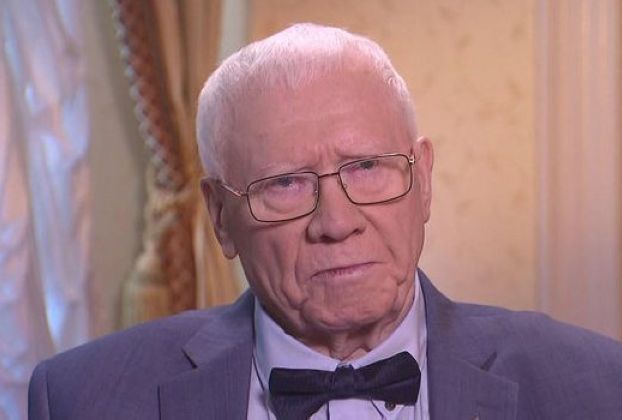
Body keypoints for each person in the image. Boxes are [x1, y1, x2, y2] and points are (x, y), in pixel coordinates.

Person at [29, 23, 622, 420]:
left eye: (366, 167)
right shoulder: (83, 399)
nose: (336, 223)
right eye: (284, 183)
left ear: (423, 179)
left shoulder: (597, 386)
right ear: (221, 217)